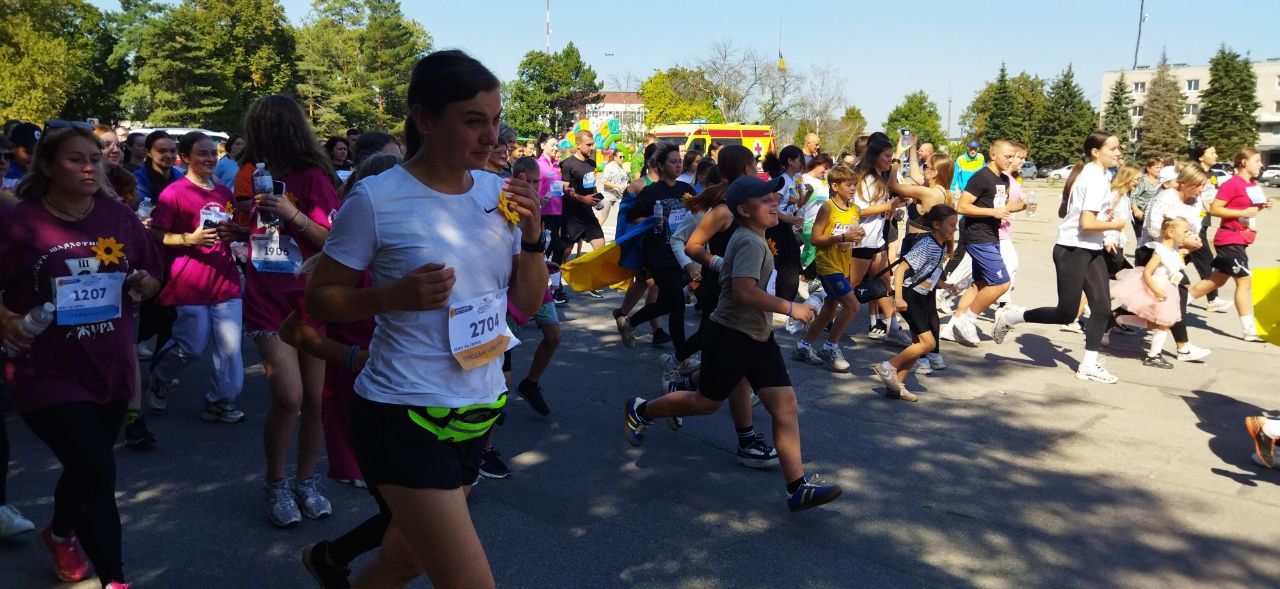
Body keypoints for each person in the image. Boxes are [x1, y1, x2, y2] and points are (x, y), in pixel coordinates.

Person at [306, 49, 548, 588]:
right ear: (424, 118)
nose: (492, 137)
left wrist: (533, 237)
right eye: (472, 121)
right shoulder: (376, 199)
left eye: (494, 120)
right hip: (403, 411)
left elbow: (527, 305)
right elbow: (320, 300)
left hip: (479, 407)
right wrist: (391, 296)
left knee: (402, 559)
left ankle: (328, 564)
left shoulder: (499, 195)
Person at [1, 126, 164, 589]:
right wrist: (4, 319)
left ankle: (59, 533)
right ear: (47, 166)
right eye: (76, 159)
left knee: (85, 466)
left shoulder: (119, 217)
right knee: (97, 467)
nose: (90, 166)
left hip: (108, 365)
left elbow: (153, 271)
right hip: (44, 370)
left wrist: (145, 284)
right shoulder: (21, 223)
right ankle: (115, 579)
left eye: (95, 157)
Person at [624, 175, 844, 512]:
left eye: (775, 198)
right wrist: (791, 307)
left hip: (757, 335)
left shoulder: (754, 237)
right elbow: (744, 292)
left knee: (784, 406)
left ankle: (797, 488)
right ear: (743, 209)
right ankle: (642, 409)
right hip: (730, 336)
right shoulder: (750, 242)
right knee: (706, 403)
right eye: (767, 201)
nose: (775, 204)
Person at [231, 95, 341, 528]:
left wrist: (292, 213)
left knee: (315, 400)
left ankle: (306, 480)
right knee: (288, 397)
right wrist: (235, 230)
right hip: (266, 296)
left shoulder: (314, 177)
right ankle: (276, 482)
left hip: (310, 296)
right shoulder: (251, 174)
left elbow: (334, 242)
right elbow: (258, 231)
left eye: (259, 127)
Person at [992, 132, 1129, 384]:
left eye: (1119, 148)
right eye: (1113, 148)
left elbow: (1089, 217)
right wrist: (1117, 224)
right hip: (1072, 250)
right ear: (1096, 152)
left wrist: (1107, 221)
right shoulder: (1093, 177)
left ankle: (1088, 365)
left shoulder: (1101, 174)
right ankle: (1011, 316)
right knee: (1066, 313)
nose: (1118, 152)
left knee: (1101, 307)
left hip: (1091, 248)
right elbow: (1087, 222)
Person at [146, 131, 247, 424]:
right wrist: (189, 238)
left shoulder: (223, 193)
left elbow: (232, 228)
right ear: (185, 158)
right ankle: (161, 376)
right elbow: (156, 233)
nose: (209, 159)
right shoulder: (173, 193)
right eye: (202, 154)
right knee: (191, 345)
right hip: (190, 280)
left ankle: (220, 400)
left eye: (213, 153)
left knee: (230, 347)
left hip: (225, 277)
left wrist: (235, 234)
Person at [873, 205, 958, 401]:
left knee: (918, 343)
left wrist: (945, 285)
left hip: (924, 296)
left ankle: (896, 386)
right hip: (911, 296)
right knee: (928, 343)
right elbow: (902, 270)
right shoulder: (927, 244)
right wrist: (899, 297)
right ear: (936, 225)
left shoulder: (941, 245)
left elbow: (927, 273)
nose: (954, 229)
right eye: (951, 225)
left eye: (955, 225)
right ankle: (888, 367)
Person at [1187, 147, 1272, 342]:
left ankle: (1178, 306)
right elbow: (1215, 209)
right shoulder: (1232, 183)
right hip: (1229, 239)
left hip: (1240, 240)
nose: (1261, 164)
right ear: (1244, 162)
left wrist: (1262, 205)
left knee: (1215, 281)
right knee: (1244, 281)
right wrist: (1243, 213)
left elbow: (1249, 207)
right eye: (1257, 161)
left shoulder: (1252, 184)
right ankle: (1249, 330)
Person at [615, 142, 693, 351]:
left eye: (680, 162)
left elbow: (698, 212)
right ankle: (682, 355)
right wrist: (651, 220)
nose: (678, 166)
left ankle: (629, 321)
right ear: (660, 165)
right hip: (659, 255)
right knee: (677, 305)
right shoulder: (651, 191)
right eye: (673, 162)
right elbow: (632, 217)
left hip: (680, 254)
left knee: (668, 303)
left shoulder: (685, 189)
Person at [1135, 164, 1213, 362]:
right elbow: (1153, 229)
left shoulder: (1195, 201)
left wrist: (1194, 240)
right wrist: (1183, 241)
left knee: (1152, 299)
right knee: (1174, 295)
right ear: (1183, 183)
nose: (1201, 189)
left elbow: (1193, 226)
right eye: (1198, 185)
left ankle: (1110, 320)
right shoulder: (1166, 198)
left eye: (1203, 185)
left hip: (1174, 252)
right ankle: (1183, 348)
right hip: (1152, 251)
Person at [792, 164, 866, 371]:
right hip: (827, 265)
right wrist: (842, 236)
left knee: (829, 310)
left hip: (843, 264)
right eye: (848, 185)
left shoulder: (855, 209)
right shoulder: (827, 207)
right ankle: (830, 346)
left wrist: (856, 238)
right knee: (853, 306)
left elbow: (850, 238)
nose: (852, 188)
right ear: (835, 185)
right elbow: (815, 239)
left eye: (854, 185)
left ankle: (804, 346)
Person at [889, 147, 955, 374]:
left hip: (918, 243)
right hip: (928, 245)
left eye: (928, 167)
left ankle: (923, 356)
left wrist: (897, 160)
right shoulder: (942, 192)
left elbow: (894, 186)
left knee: (917, 302)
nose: (923, 169)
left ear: (935, 173)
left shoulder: (929, 194)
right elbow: (916, 174)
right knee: (928, 304)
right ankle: (933, 354)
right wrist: (912, 148)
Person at [949, 140, 1016, 346]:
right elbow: (962, 206)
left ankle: (953, 326)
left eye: (1013, 157)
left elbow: (999, 206)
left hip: (992, 235)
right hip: (978, 236)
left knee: (981, 284)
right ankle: (967, 320)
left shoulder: (1003, 180)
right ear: (993, 155)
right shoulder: (981, 177)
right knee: (1002, 283)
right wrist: (993, 212)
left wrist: (1019, 206)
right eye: (1008, 156)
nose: (1011, 160)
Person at [1111, 217, 1190, 369]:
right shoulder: (1160, 252)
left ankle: (1119, 319)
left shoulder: (1173, 250)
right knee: (1164, 323)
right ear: (1171, 232)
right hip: (1157, 288)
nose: (1186, 235)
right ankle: (1154, 355)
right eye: (1185, 232)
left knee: (1159, 323)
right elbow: (1147, 272)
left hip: (1168, 289)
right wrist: (1155, 290)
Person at [762, 145, 806, 305]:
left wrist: (806, 193)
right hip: (777, 227)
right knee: (782, 262)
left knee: (792, 261)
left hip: (787, 226)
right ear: (790, 161)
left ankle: (785, 297)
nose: (802, 163)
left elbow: (797, 204)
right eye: (799, 159)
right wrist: (790, 219)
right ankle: (779, 297)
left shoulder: (795, 179)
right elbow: (772, 206)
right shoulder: (782, 181)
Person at [1188, 144, 1229, 312]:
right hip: (1193, 222)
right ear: (1200, 157)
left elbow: (1213, 196)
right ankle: (1212, 299)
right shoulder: (1194, 173)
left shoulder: (1212, 175)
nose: (1216, 155)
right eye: (1212, 153)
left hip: (1204, 221)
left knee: (1183, 259)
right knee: (1206, 260)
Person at [560, 129, 607, 271]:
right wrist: (583, 199)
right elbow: (564, 190)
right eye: (588, 145)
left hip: (588, 215)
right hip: (571, 216)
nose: (592, 148)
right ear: (578, 144)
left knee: (600, 248)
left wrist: (597, 199)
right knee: (565, 252)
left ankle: (591, 283)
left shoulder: (592, 164)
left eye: (593, 144)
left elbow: (591, 185)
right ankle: (556, 279)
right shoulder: (567, 164)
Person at [536, 134, 569, 304]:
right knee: (556, 248)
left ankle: (547, 290)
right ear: (542, 146)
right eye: (552, 145)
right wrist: (539, 199)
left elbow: (559, 186)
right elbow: (532, 186)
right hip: (544, 213)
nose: (555, 148)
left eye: (556, 145)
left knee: (547, 253)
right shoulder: (537, 164)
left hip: (558, 212)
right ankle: (553, 289)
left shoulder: (556, 165)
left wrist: (566, 190)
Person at [133, 130, 182, 205]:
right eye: (162, 151)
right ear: (148, 152)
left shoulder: (181, 178)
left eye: (172, 151)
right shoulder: (136, 181)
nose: (169, 156)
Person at [1130, 157, 1163, 239]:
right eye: (1157, 167)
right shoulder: (1142, 180)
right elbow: (1133, 195)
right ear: (1148, 168)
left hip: (1151, 213)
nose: (1159, 170)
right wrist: (1136, 210)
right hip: (1140, 213)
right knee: (1140, 237)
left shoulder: (1161, 181)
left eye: (1161, 167)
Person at [598, 148, 629, 225]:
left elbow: (624, 180)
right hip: (608, 196)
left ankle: (620, 236)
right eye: (620, 157)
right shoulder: (609, 166)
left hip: (618, 197)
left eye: (623, 157)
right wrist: (618, 186)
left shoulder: (621, 167)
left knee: (622, 216)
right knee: (603, 217)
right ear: (615, 157)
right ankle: (593, 234)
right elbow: (604, 181)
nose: (622, 159)